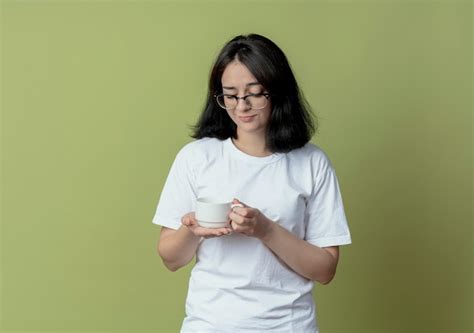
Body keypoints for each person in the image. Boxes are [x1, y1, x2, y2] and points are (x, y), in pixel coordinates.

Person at [152, 33, 352, 333]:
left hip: (289, 326)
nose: (241, 106)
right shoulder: (196, 157)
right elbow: (170, 258)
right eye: (230, 95)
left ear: (278, 91)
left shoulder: (311, 162)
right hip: (210, 325)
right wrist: (193, 231)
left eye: (255, 93)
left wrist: (266, 230)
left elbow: (325, 269)